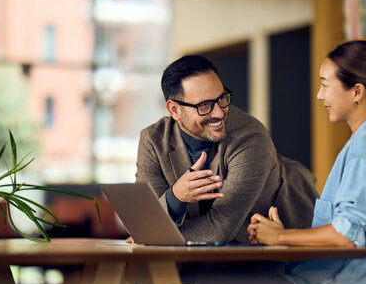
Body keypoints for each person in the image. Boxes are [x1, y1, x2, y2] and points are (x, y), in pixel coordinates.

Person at [247, 40, 366, 284]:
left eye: (325, 85)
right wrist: (284, 242)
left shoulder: (365, 150)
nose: (319, 95)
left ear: (356, 91)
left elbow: (347, 236)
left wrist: (280, 236)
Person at [136, 54, 318, 244]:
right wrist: (176, 196)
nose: (219, 112)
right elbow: (146, 218)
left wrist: (153, 235)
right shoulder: (153, 140)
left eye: (222, 98)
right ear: (174, 110)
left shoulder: (250, 136)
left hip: (277, 253)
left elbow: (219, 228)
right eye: (204, 105)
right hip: (200, 258)